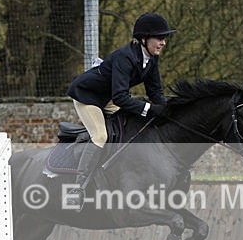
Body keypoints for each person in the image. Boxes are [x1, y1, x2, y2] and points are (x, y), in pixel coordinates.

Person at [65, 12, 176, 210]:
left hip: (108, 97)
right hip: (88, 96)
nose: (163, 42)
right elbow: (121, 98)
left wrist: (169, 110)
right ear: (144, 39)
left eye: (164, 38)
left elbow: (155, 92)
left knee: (129, 125)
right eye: (159, 38)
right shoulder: (126, 57)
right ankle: (77, 188)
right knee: (100, 135)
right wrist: (150, 109)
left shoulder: (151, 59)